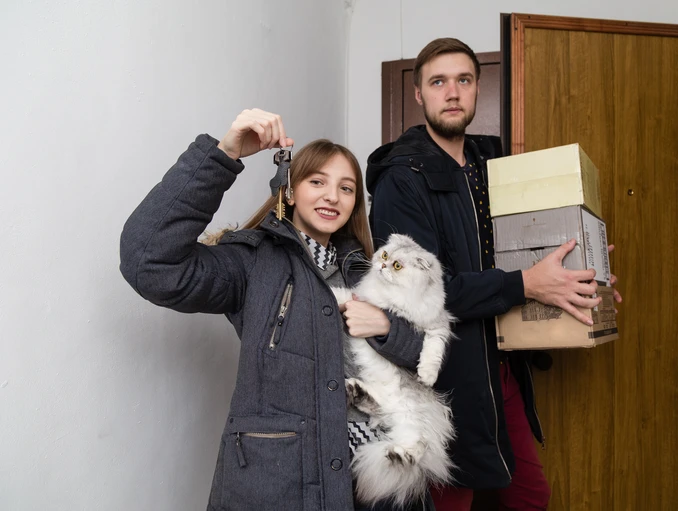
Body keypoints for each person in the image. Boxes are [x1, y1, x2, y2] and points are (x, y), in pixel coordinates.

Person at [120, 108, 433, 511]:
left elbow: (428, 356)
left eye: (346, 188)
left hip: (381, 480)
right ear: (290, 190)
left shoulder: (372, 273)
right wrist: (224, 154)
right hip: (286, 485)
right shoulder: (252, 263)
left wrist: (387, 328)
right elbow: (149, 262)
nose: (332, 196)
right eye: (317, 181)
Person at [365, 38, 622, 511]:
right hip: (443, 380)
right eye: (438, 82)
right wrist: (527, 283)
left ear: (477, 88)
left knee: (530, 497)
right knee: (450, 503)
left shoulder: (492, 168)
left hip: (500, 368)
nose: (452, 92)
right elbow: (419, 294)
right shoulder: (401, 180)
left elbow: (518, 248)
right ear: (419, 94)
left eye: (463, 79)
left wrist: (582, 270)